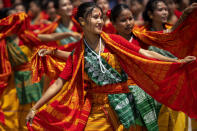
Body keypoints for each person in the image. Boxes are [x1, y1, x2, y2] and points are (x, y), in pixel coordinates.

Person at [24, 2, 197, 131]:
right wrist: (35, 107)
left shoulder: (114, 41)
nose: (100, 21)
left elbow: (145, 53)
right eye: (95, 17)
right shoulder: (79, 52)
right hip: (98, 110)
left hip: (126, 106)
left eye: (101, 17)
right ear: (82, 21)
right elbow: (58, 83)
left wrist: (176, 62)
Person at [110, 3, 189, 131]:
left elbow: (166, 37)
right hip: (123, 92)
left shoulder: (141, 36)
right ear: (113, 23)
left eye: (130, 19)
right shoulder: (110, 41)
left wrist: (178, 61)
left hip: (147, 88)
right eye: (123, 20)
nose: (128, 23)